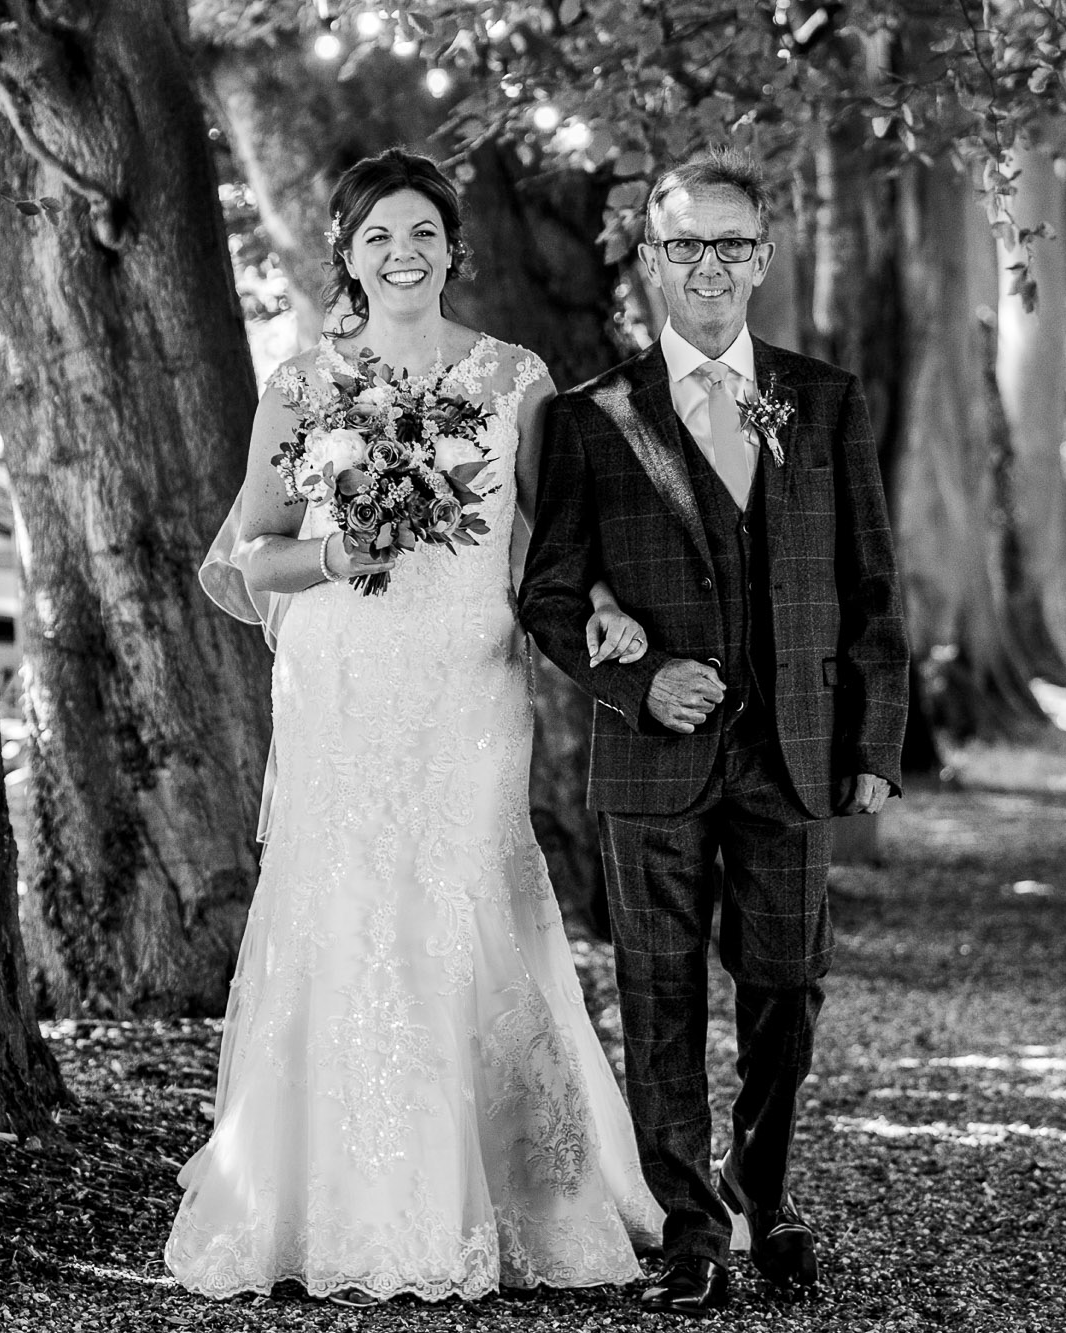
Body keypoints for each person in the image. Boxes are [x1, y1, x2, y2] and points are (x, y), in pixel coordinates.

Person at [171, 149, 661, 1306]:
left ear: (453, 249)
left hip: (467, 683)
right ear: (345, 251)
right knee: (346, 906)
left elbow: (554, 535)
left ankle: (519, 1196)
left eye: (423, 234)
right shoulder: (302, 385)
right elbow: (247, 552)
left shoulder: (514, 377)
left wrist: (600, 611)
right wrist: (340, 551)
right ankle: (330, 1201)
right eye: (379, 235)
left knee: (468, 900)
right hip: (345, 679)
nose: (402, 253)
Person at [518, 145, 909, 1315]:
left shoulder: (823, 398)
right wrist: (637, 689)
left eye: (731, 244)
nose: (709, 266)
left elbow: (872, 590)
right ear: (648, 258)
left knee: (787, 983)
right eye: (683, 243)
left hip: (794, 750)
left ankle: (764, 1187)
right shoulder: (590, 418)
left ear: (763, 258)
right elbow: (547, 595)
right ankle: (689, 1229)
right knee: (658, 989)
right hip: (651, 761)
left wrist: (873, 745)